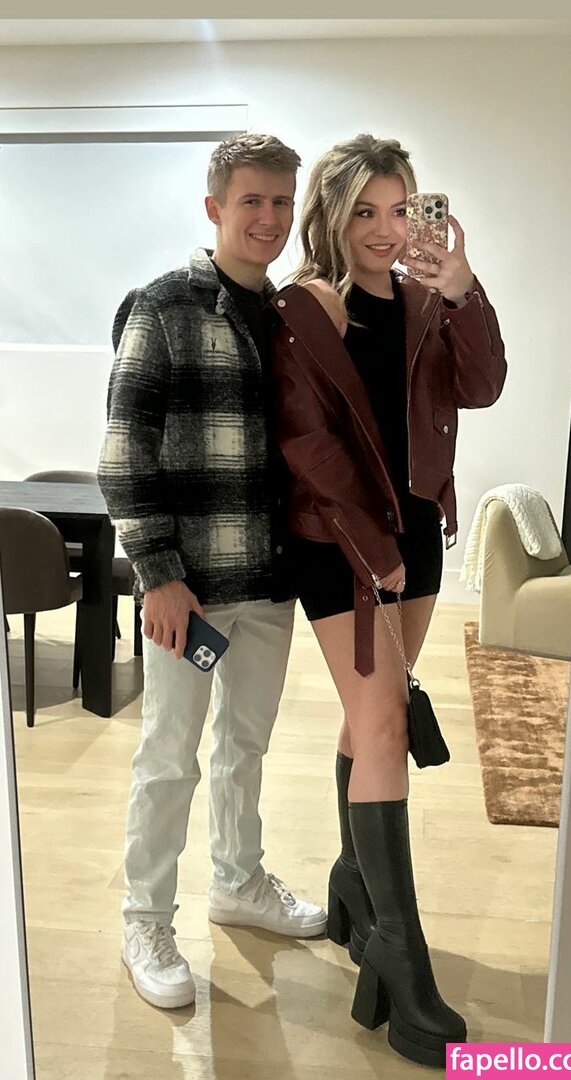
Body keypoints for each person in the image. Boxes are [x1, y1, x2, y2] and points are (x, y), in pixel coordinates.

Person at [270, 133, 506, 1066]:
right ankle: (403, 969)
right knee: (382, 724)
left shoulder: (426, 300)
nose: (383, 229)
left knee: (368, 716)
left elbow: (481, 387)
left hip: (415, 535)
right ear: (331, 216)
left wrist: (463, 289)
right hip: (339, 542)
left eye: (399, 209)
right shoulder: (304, 308)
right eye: (362, 211)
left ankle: (351, 888)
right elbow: (307, 444)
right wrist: (375, 555)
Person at [98, 133, 327, 1012]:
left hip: (269, 586)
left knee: (245, 746)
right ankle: (146, 919)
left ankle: (238, 882)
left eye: (281, 201)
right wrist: (156, 573)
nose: (268, 218)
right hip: (187, 597)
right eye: (251, 200)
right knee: (170, 757)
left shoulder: (291, 316)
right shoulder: (163, 306)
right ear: (215, 208)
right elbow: (124, 455)